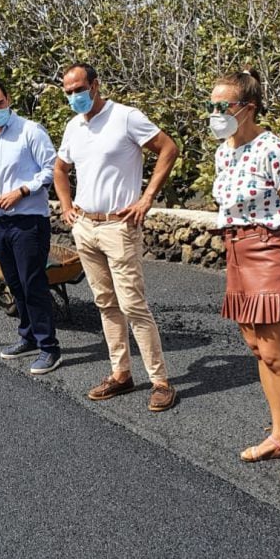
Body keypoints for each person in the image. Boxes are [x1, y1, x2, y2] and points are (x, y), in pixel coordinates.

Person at [208, 68, 280, 485]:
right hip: (237, 251)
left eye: (224, 106)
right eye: (212, 105)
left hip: (272, 250)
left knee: (277, 353)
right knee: (257, 348)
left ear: (248, 108)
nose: (216, 112)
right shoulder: (224, 151)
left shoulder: (271, 147)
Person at [54, 62, 179, 411]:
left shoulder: (125, 116)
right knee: (105, 304)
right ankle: (120, 373)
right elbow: (60, 169)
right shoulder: (73, 127)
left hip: (118, 226)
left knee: (133, 305)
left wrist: (146, 198)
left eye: (79, 88)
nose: (74, 96)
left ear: (95, 84)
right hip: (86, 226)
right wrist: (67, 206)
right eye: (68, 92)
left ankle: (160, 381)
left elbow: (168, 148)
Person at [0, 80, 62, 375]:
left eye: (0, 104)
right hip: (0, 221)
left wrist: (22, 191)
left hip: (28, 221)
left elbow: (51, 169)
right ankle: (27, 336)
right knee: (13, 282)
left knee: (33, 283)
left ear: (8, 99)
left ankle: (49, 347)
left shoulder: (30, 131)